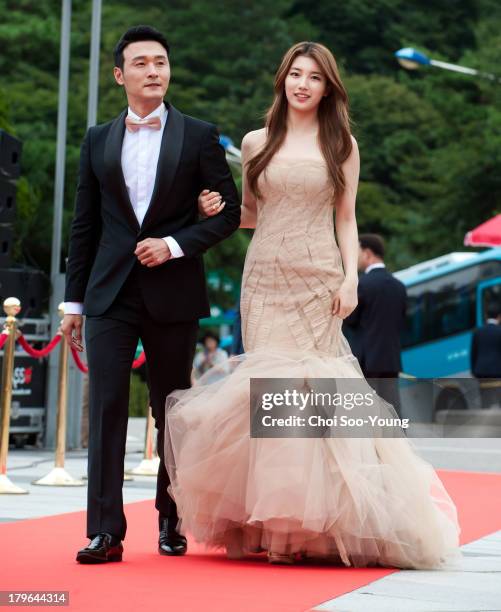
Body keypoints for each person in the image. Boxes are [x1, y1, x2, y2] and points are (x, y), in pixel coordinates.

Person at [164, 41, 460, 568]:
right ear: (282, 80)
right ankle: (270, 525)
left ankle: (309, 528)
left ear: (328, 87)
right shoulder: (256, 142)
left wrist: (351, 279)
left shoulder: (341, 143)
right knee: (265, 395)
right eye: (295, 74)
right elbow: (250, 214)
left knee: (312, 393)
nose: (302, 84)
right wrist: (207, 206)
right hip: (264, 277)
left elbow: (346, 219)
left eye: (314, 77)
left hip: (318, 276)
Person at [61, 25, 240, 564]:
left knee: (170, 411)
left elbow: (229, 213)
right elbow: (84, 225)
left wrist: (174, 244)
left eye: (160, 61)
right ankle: (105, 532)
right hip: (109, 294)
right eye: (141, 63)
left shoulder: (199, 134)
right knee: (109, 407)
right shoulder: (97, 139)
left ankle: (171, 517)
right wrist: (73, 302)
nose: (153, 70)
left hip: (173, 291)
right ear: (120, 75)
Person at [344, 234, 407, 415]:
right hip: (391, 359)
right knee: (392, 408)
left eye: (357, 251)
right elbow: (401, 322)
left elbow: (351, 319)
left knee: (367, 410)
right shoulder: (399, 286)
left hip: (366, 359)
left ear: (367, 253)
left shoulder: (362, 285)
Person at [471, 302, 501, 408]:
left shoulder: (477, 332)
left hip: (482, 373)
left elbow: (473, 355)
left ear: (486, 316)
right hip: (498, 374)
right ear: (499, 316)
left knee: (485, 403)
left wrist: (475, 372)